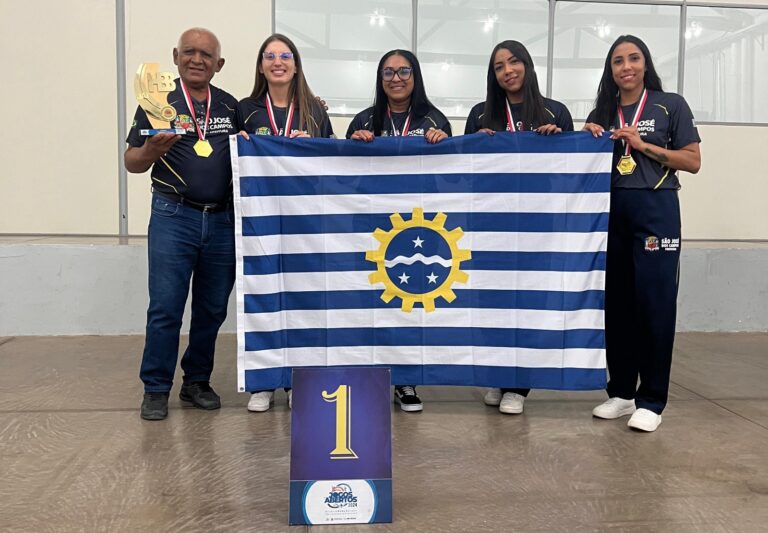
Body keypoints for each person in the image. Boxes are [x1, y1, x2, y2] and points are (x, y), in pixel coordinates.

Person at [583, 35, 701, 432]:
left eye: (633, 58)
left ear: (646, 64)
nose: (626, 66)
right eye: (618, 61)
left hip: (656, 212)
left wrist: (644, 144)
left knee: (654, 305)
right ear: (611, 70)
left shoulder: (672, 104)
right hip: (612, 214)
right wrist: (586, 138)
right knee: (617, 306)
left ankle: (652, 399)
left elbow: (693, 160)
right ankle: (621, 392)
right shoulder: (604, 110)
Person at [125, 28, 238, 420]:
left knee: (211, 309)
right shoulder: (157, 102)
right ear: (175, 56)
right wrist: (148, 150)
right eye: (189, 52)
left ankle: (196, 381)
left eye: (206, 54)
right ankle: (156, 387)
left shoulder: (230, 106)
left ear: (218, 65)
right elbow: (132, 162)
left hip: (223, 220)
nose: (197, 59)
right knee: (166, 308)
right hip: (174, 216)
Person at [465, 40, 574, 415]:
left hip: (537, 224)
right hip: (492, 222)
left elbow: (569, 171)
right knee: (495, 299)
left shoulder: (554, 111)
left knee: (527, 300)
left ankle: (519, 385)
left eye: (514, 62)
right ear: (493, 76)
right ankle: (499, 372)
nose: (507, 70)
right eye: (499, 66)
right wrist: (475, 146)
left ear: (527, 65)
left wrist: (558, 142)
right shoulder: (481, 114)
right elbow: (466, 173)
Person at [346, 49, 452, 412]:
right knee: (371, 302)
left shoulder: (435, 119)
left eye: (403, 70)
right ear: (380, 78)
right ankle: (369, 375)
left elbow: (446, 177)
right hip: (372, 227)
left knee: (409, 305)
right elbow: (345, 176)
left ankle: (406, 381)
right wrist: (354, 144)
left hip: (414, 227)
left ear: (415, 75)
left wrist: (444, 143)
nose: (396, 78)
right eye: (388, 72)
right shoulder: (364, 119)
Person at [238, 34, 335, 412]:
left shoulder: (314, 110)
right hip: (260, 222)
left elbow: (333, 164)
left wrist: (311, 145)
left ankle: (297, 378)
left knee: (301, 299)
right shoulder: (245, 109)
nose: (277, 62)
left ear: (295, 64)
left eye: (285, 55)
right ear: (261, 65)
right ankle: (263, 382)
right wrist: (241, 142)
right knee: (263, 296)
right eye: (269, 56)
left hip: (304, 220)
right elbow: (233, 158)